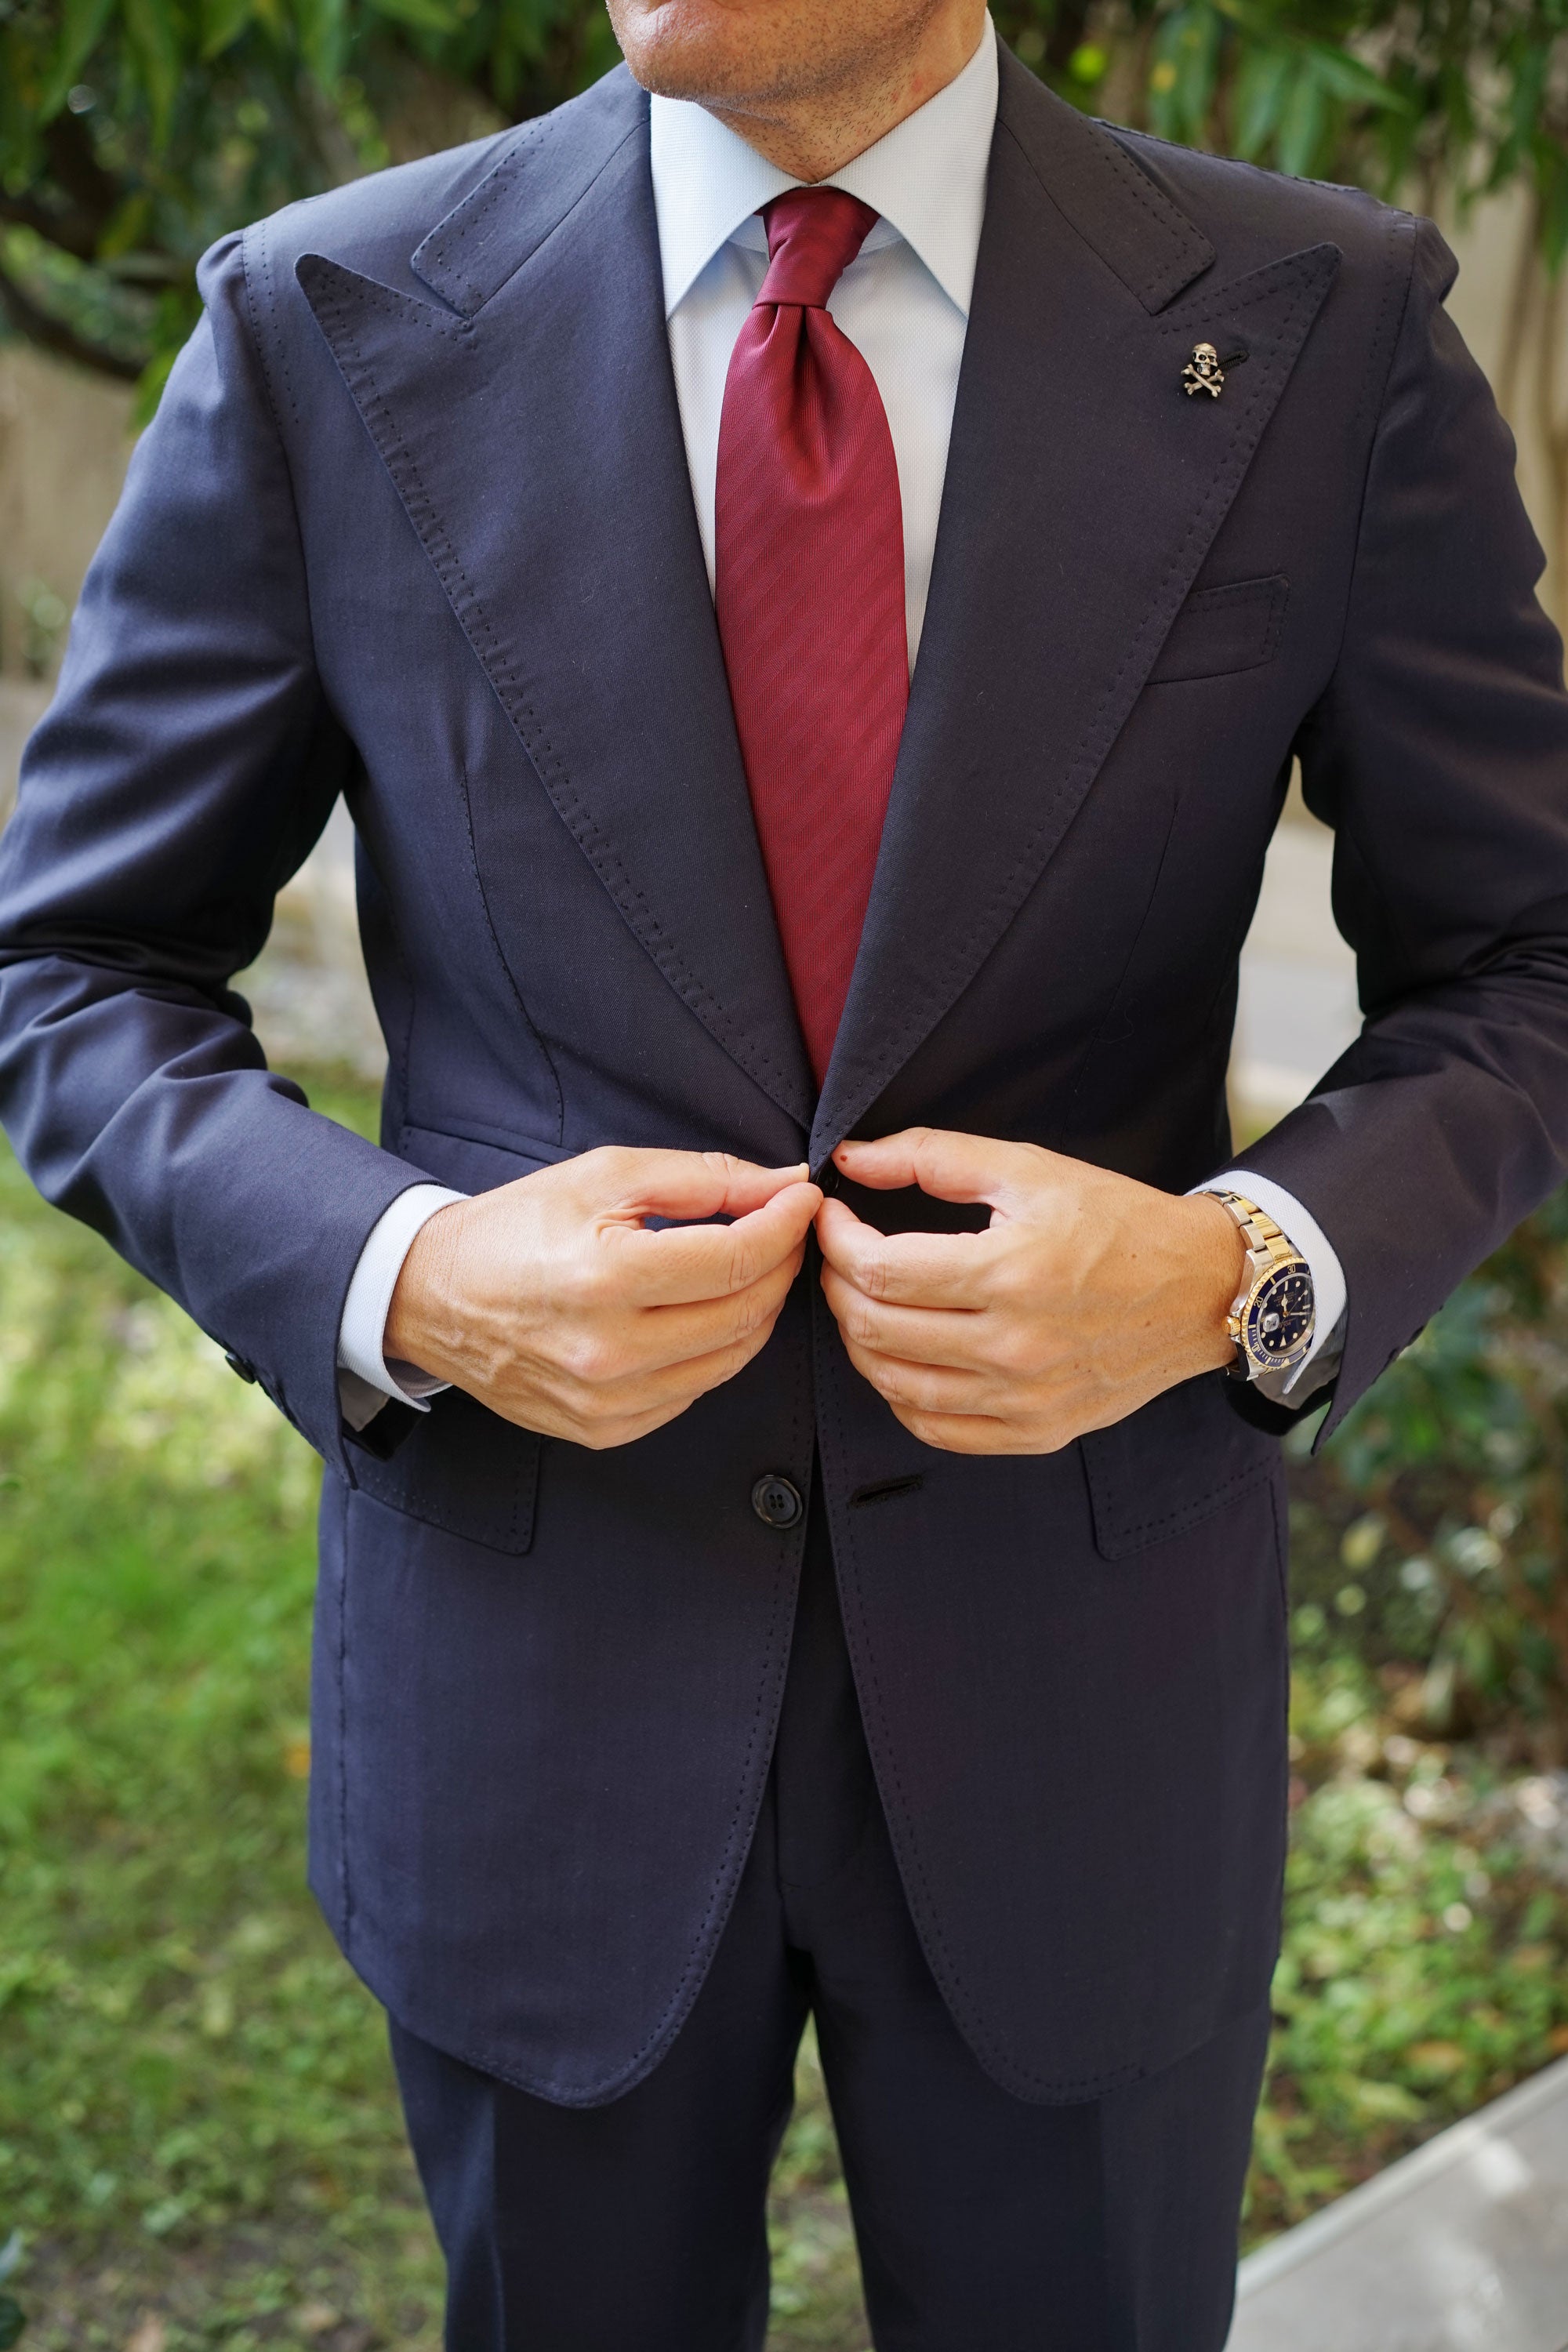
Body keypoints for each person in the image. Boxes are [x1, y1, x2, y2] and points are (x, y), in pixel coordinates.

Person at [4, 0, 1568, 2341]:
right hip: (541, 1686)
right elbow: (74, 966)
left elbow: (1525, 954)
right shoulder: (320, 319)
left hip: (1085, 1708)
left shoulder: (1319, 323)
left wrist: (1246, 1264)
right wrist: (405, 1272)